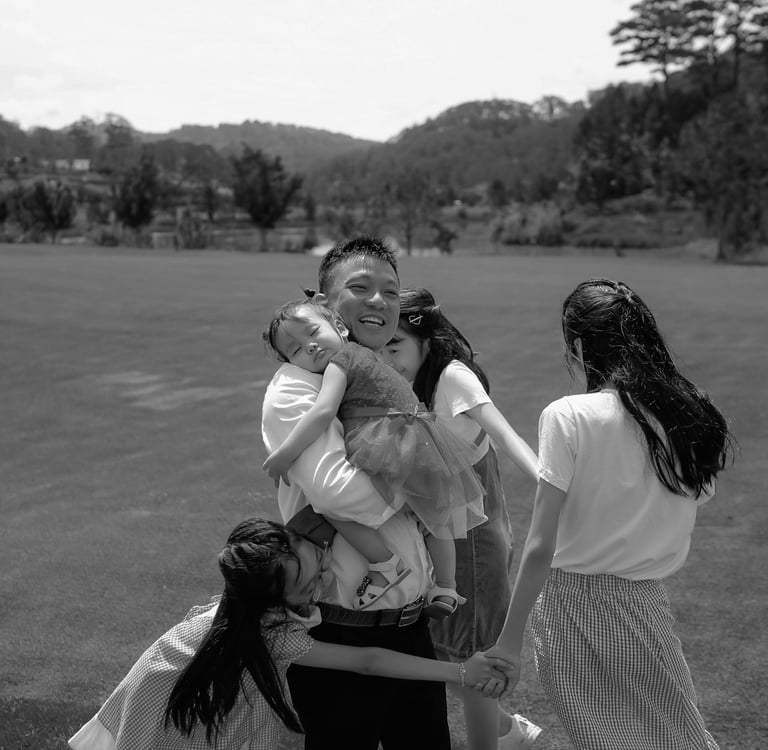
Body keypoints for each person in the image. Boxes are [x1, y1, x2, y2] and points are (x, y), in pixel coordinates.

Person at [485, 279, 733, 749]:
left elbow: (541, 544)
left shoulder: (568, 415)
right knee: (676, 737)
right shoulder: (688, 416)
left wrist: (509, 642)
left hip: (568, 605)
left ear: (579, 344)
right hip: (645, 604)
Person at [69, 517, 509, 750]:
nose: (323, 581)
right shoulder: (275, 632)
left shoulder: (245, 600)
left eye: (319, 564)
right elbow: (367, 661)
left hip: (171, 689)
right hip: (166, 701)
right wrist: (460, 673)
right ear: (275, 600)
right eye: (311, 584)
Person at [260, 236, 452, 750]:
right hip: (340, 631)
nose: (379, 301)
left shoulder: (375, 374)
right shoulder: (295, 386)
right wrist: (426, 480)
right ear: (325, 305)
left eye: (390, 291)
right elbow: (341, 496)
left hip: (410, 626)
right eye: (360, 288)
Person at [383, 288, 542, 750]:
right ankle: (508, 732)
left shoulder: (451, 377)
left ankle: (500, 737)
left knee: (470, 661)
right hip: (437, 535)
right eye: (381, 347)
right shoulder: (399, 378)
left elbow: (504, 433)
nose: (388, 358)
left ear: (425, 340)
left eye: (396, 346)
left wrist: (545, 481)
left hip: (470, 538)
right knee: (438, 655)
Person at [262, 294, 486, 614]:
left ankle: (384, 563)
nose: (309, 346)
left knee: (331, 506)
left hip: (387, 440)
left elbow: (323, 412)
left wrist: (286, 454)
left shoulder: (341, 361)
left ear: (339, 327)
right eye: (296, 350)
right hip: (420, 440)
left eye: (312, 332)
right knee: (434, 519)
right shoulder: (372, 356)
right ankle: (446, 588)